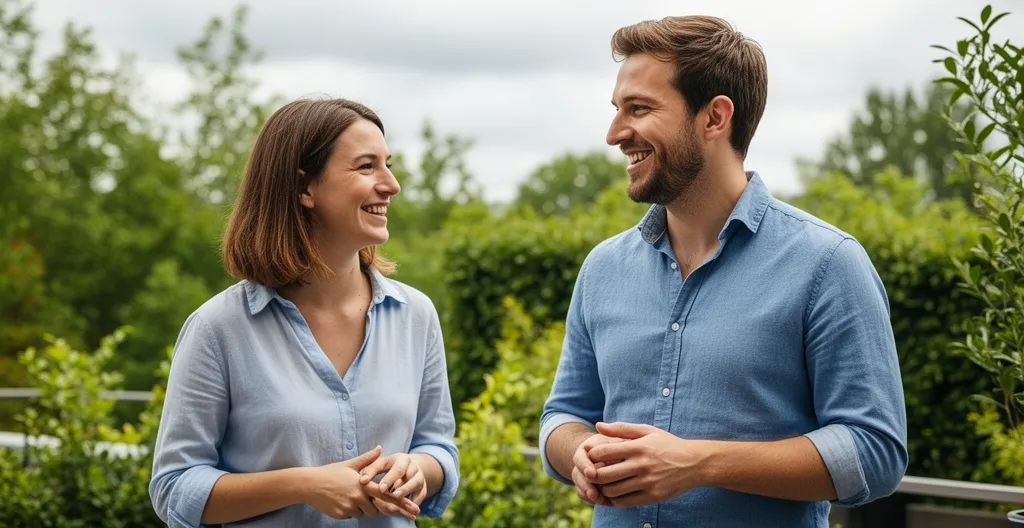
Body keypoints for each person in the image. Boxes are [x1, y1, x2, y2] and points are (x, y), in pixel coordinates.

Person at [539, 15, 908, 528]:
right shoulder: (603, 268)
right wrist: (578, 451)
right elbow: (560, 417)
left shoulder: (828, 265)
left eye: (639, 109)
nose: (615, 133)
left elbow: (875, 452)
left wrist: (699, 463)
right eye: (616, 109)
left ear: (714, 117)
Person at [149, 97, 459, 527]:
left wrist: (417, 468)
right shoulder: (217, 328)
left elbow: (438, 448)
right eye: (366, 167)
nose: (392, 185)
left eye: (387, 165)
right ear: (305, 188)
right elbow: (175, 487)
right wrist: (304, 485)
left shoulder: (416, 316)